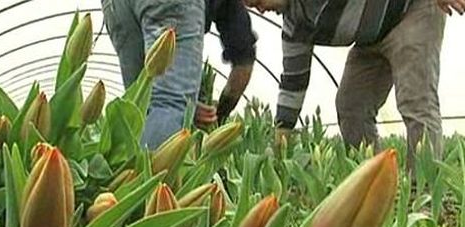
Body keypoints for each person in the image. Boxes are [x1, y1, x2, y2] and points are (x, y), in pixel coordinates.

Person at [243, 0, 464, 171]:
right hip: (372, 37)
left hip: (412, 12)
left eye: (257, 2)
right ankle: (376, 179)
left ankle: (423, 193)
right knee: (351, 106)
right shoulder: (295, 25)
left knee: (415, 100)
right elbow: (293, 82)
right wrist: (282, 134)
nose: (260, 10)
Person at [101, 0, 257, 149]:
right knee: (169, 102)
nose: (258, 8)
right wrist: (220, 115)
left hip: (115, 6)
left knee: (138, 104)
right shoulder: (234, 8)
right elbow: (243, 66)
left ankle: (128, 173)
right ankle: (149, 175)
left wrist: (190, 107)